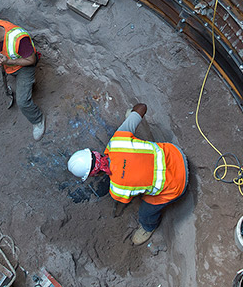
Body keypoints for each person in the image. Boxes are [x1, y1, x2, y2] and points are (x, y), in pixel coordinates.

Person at [67, 103, 188, 245]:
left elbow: (130, 198)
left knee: (145, 212)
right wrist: (131, 116)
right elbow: (142, 107)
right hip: (175, 153)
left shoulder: (117, 189)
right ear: (94, 153)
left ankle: (148, 227)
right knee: (142, 150)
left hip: (178, 184)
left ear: (93, 175)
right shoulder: (118, 140)